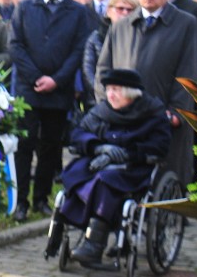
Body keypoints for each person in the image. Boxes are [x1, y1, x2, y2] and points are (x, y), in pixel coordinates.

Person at [95, 0, 197, 187]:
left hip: (164, 118)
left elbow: (188, 72)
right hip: (125, 117)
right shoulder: (122, 26)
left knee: (165, 182)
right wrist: (107, 105)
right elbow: (103, 71)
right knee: (122, 180)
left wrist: (176, 113)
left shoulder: (185, 24)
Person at [61, 69, 171, 265]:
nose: (110, 94)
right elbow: (78, 133)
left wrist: (127, 154)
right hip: (98, 161)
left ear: (130, 92)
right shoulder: (103, 110)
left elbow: (159, 146)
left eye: (116, 90)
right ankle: (65, 232)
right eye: (109, 89)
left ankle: (94, 245)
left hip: (133, 168)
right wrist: (99, 147)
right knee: (77, 175)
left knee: (105, 181)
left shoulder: (152, 112)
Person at [9, 0, 90, 221]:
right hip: (28, 88)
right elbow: (16, 46)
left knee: (51, 147)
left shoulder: (77, 12)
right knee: (24, 144)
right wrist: (35, 77)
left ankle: (40, 198)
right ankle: (20, 201)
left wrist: (56, 79)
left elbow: (80, 49)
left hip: (59, 89)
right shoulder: (25, 7)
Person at [81, 0, 137, 109]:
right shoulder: (96, 37)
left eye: (130, 9)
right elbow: (88, 71)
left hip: (132, 99)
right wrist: (107, 94)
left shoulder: (138, 37)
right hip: (99, 100)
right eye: (120, 9)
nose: (125, 13)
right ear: (109, 10)